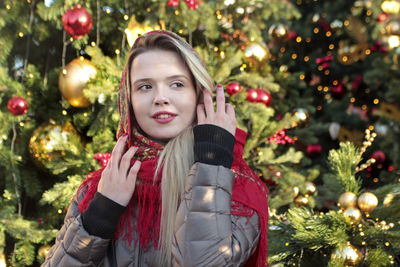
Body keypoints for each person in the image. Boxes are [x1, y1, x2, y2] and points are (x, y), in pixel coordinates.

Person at [42, 30, 269, 267]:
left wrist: (211, 166)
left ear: (198, 95)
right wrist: (101, 213)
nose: (160, 98)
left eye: (177, 84)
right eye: (145, 87)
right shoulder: (100, 188)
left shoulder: (235, 187)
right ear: (129, 100)